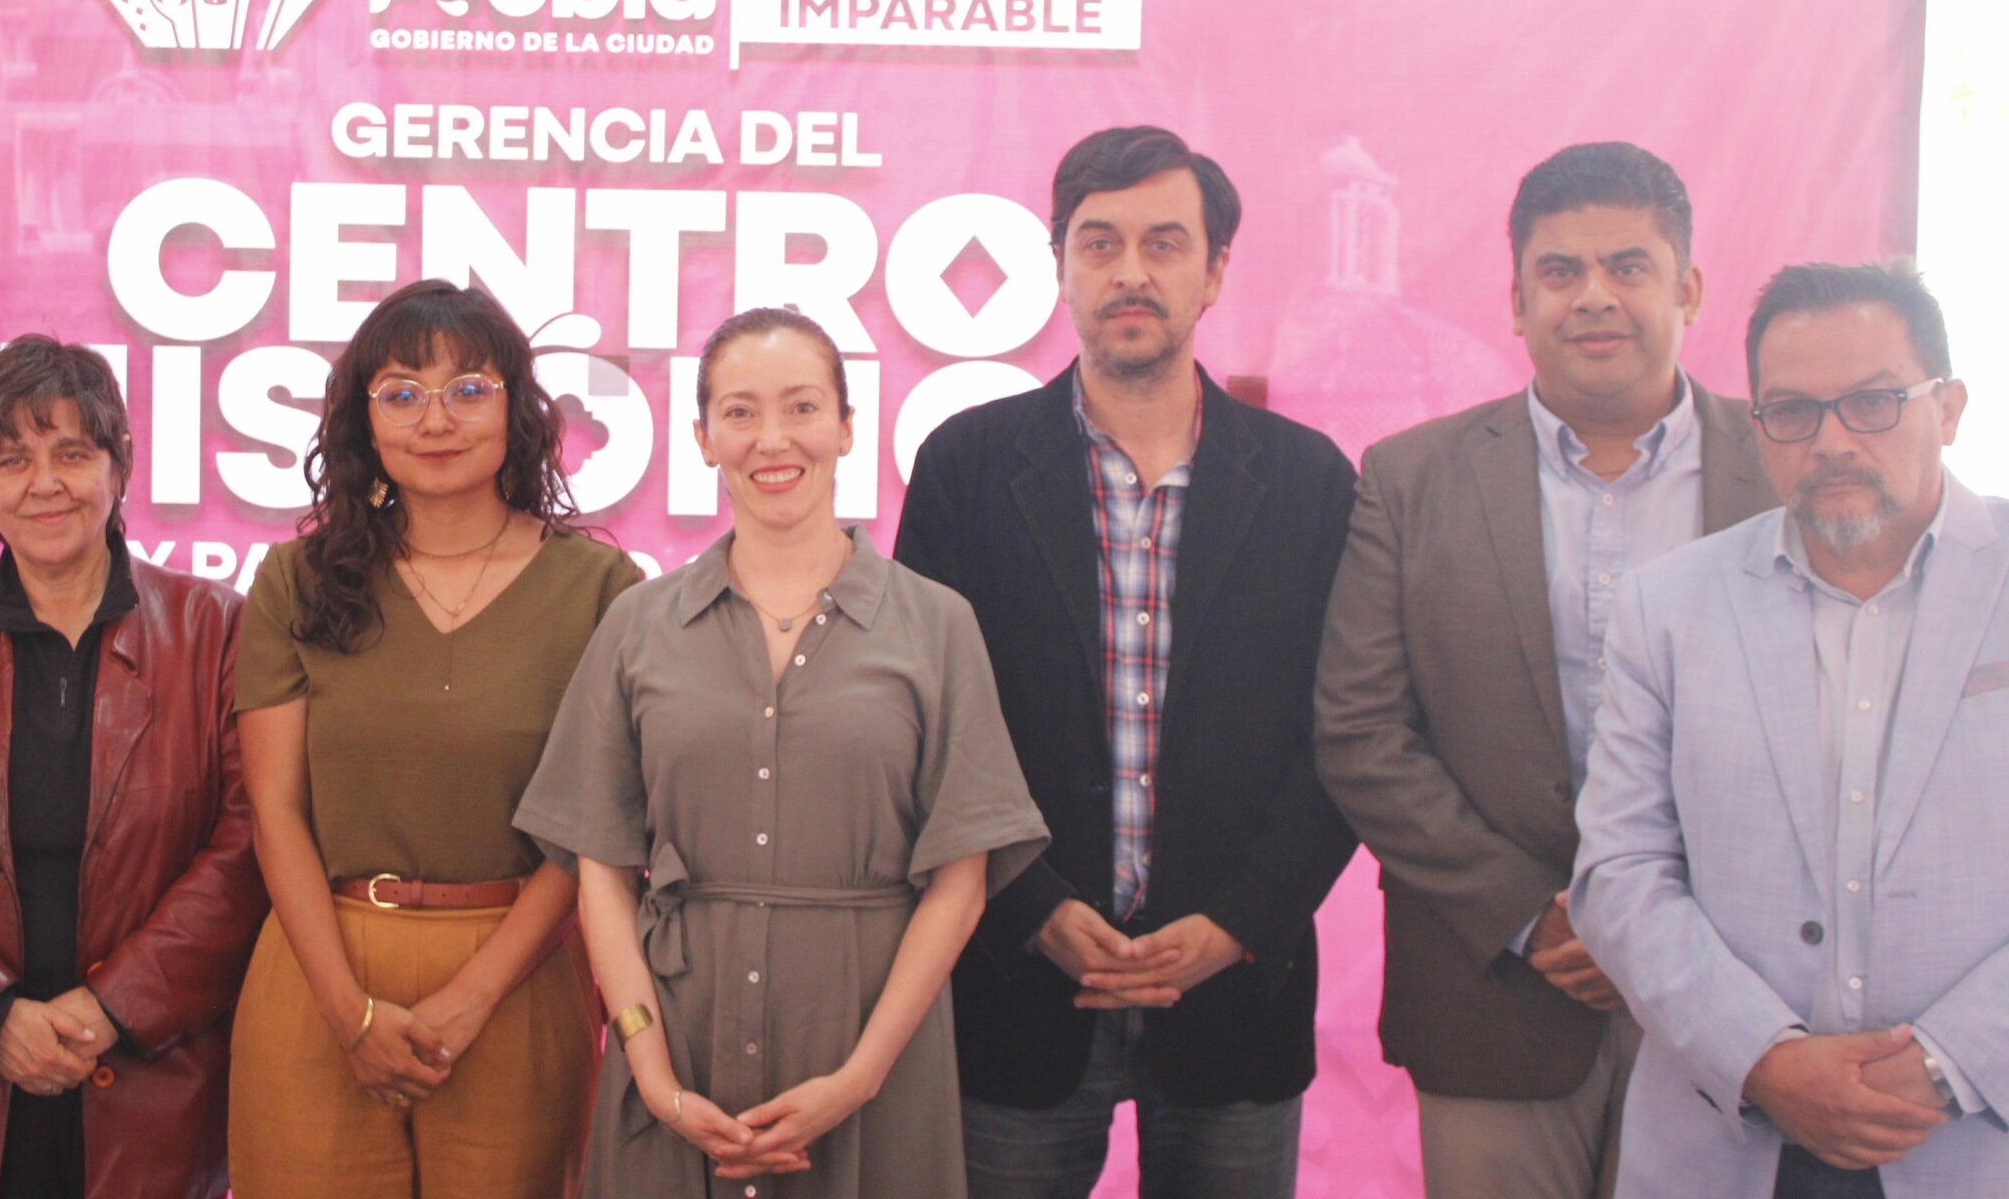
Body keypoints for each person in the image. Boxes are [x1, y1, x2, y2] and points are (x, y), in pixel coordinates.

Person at [896, 126, 1359, 1198]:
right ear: (1059, 266)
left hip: (1237, 993)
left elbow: (1346, 735)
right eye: (1099, 243)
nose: (1130, 272)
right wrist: (1029, 905)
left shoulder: (1308, 482)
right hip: (1017, 981)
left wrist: (1240, 923)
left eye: (1164, 242)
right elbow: (924, 726)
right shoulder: (967, 467)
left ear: (1215, 270)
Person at [1312, 142, 1773, 1198]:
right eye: (1560, 271)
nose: (1593, 296)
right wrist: (1534, 913)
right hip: (1496, 991)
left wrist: (1661, 929)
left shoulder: (1780, 468)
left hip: (1738, 992)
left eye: (1628, 266)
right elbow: (1359, 731)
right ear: (1518, 302)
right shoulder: (1410, 478)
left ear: (1689, 289)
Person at [517, 305, 1048, 1197]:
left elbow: (961, 880)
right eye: (740, 412)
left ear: (846, 427)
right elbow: (600, 871)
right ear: (702, 438)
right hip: (677, 1057)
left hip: (875, 1060)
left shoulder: (937, 624)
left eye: (802, 407)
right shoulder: (638, 625)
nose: (773, 439)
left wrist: (861, 1079)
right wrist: (649, 1069)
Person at [1571, 262, 2007, 1199]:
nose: (1832, 442)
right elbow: (1619, 871)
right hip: (1727, 1135)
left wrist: (1948, 1062)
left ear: (1949, 408)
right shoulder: (1667, 606)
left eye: (1874, 403)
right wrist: (1763, 1060)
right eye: (1794, 412)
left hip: (1976, 1139)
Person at [228, 279, 643, 1199]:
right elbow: (275, 811)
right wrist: (348, 1013)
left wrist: (472, 998)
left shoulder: (601, 589)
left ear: (517, 409)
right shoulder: (297, 579)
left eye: (468, 389)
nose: (436, 420)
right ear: (364, 421)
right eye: (402, 393)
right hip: (321, 970)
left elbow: (594, 830)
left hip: (518, 977)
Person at [0, 335, 267, 1198]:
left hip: (156, 1090)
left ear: (121, 466)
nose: (45, 484)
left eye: (72, 453)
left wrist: (114, 1008)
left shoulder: (219, 632)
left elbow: (251, 842)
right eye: (13, 460)